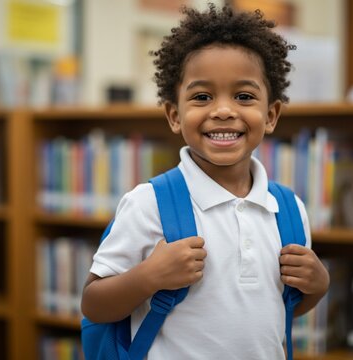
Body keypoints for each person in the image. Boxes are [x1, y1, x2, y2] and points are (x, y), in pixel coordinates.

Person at [81, 4, 330, 359]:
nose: (224, 110)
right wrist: (149, 277)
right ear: (174, 115)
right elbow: (94, 304)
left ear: (271, 115)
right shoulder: (148, 203)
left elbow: (274, 311)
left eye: (244, 96)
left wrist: (318, 288)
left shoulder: (288, 210)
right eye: (202, 97)